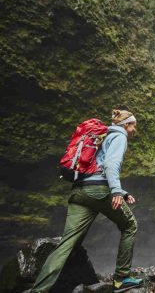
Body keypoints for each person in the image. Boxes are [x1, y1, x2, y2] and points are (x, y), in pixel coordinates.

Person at [30, 109, 143, 293]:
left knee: (67, 243)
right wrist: (115, 191)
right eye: (133, 126)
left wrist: (121, 192)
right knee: (130, 225)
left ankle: (39, 290)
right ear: (126, 125)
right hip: (99, 191)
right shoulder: (119, 136)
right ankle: (122, 278)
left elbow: (96, 168)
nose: (134, 130)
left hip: (80, 191)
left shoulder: (101, 136)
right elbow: (110, 165)